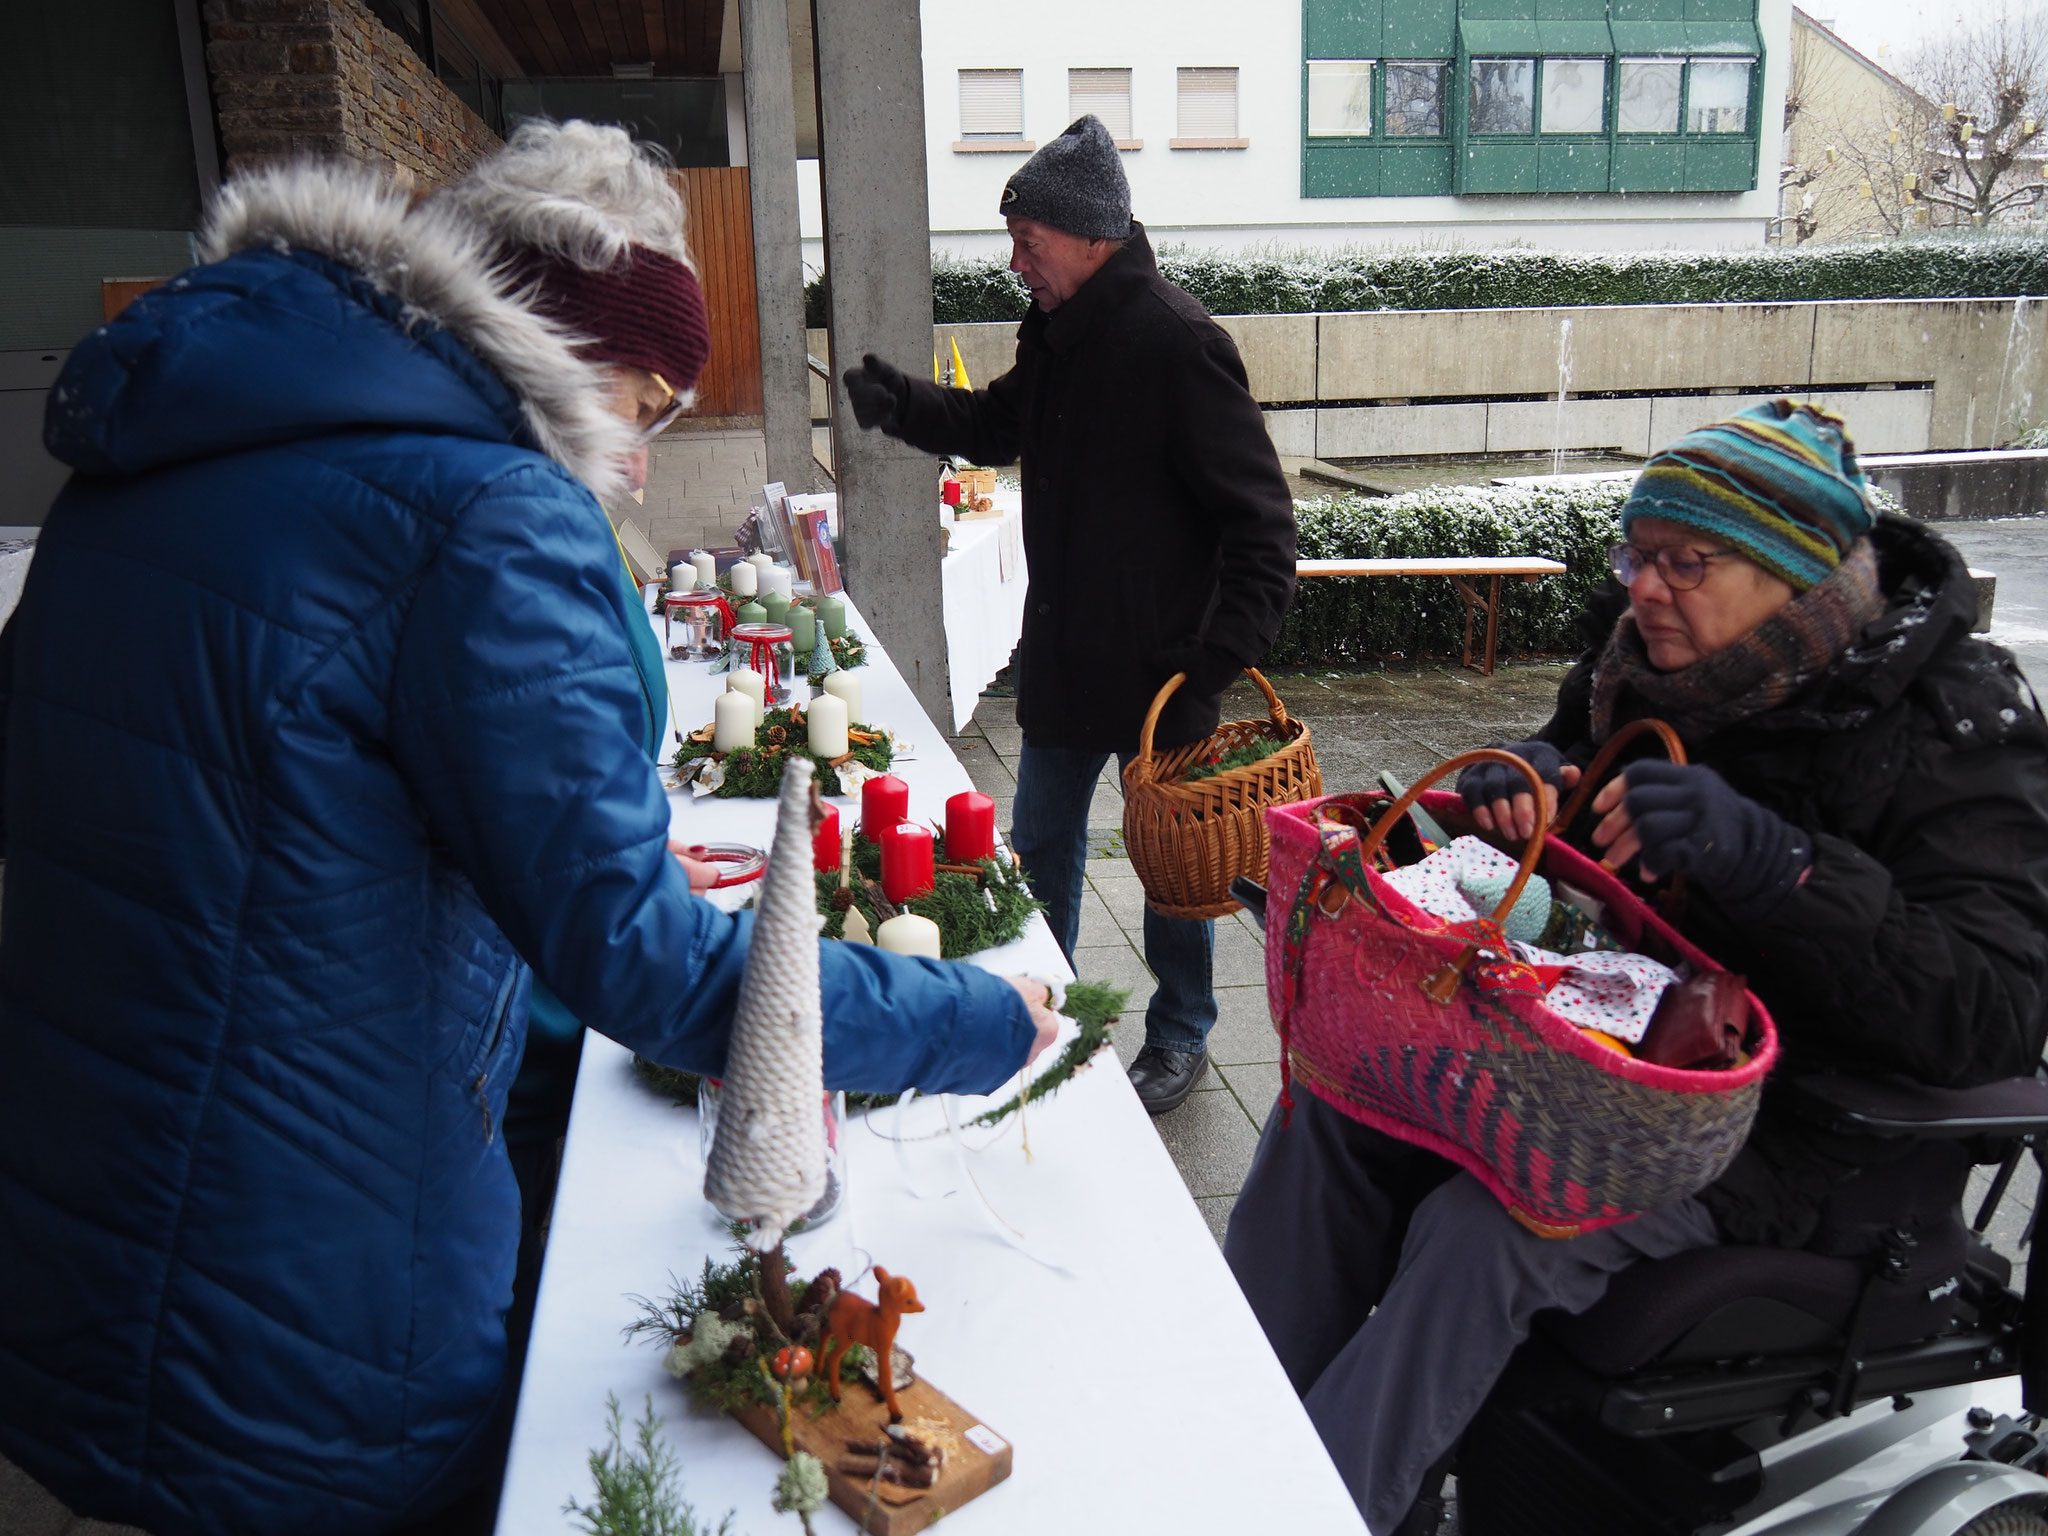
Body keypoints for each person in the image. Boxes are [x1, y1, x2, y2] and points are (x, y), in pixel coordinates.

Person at [0, 122, 1060, 1536]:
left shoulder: (149, 461)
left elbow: (246, 815)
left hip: (78, 1235)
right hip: (306, 1290)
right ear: (556, 345)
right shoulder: (484, 514)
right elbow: (648, 967)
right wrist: (980, 1020)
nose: (639, 447)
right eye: (646, 396)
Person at [1223, 399, 2048, 1534]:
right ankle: (1226, 1445)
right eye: (1634, 555)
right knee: (1334, 1114)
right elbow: (1571, 765)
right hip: (1590, 1062)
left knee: (1493, 1225)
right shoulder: (1644, 659)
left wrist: (1783, 870)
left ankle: (1312, 1516)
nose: (1639, 588)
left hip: (1795, 1135)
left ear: (1791, 572)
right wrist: (1527, 784)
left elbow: (1991, 1014)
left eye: (1680, 563)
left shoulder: (1953, 719)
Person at [840, 114, 1298, 1113]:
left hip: (1164, 669)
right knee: (1040, 842)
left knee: (1175, 870)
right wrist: (901, 403)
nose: (1014, 263)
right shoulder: (1056, 333)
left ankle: (1180, 1033)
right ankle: (1028, 1007)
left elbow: (1261, 524)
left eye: (1026, 242)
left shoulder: (1178, 343)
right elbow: (995, 421)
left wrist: (1217, 657)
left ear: (1089, 235)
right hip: (1062, 656)